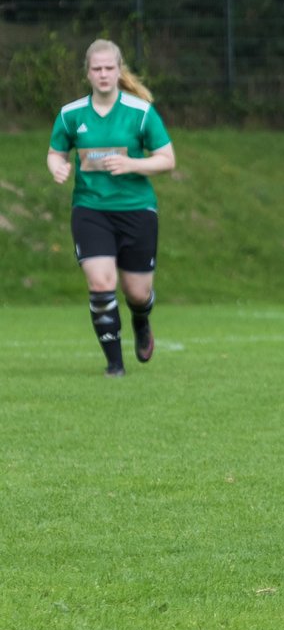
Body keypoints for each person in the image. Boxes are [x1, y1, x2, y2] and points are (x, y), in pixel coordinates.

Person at [47, 39, 176, 378]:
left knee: (137, 292)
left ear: (119, 71)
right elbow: (55, 151)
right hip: (91, 210)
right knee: (101, 283)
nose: (103, 74)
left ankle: (141, 320)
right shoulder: (71, 114)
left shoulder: (141, 112)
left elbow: (167, 160)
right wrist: (57, 167)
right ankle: (114, 365)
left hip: (136, 210)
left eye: (109, 68)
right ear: (87, 73)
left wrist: (132, 165)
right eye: (96, 69)